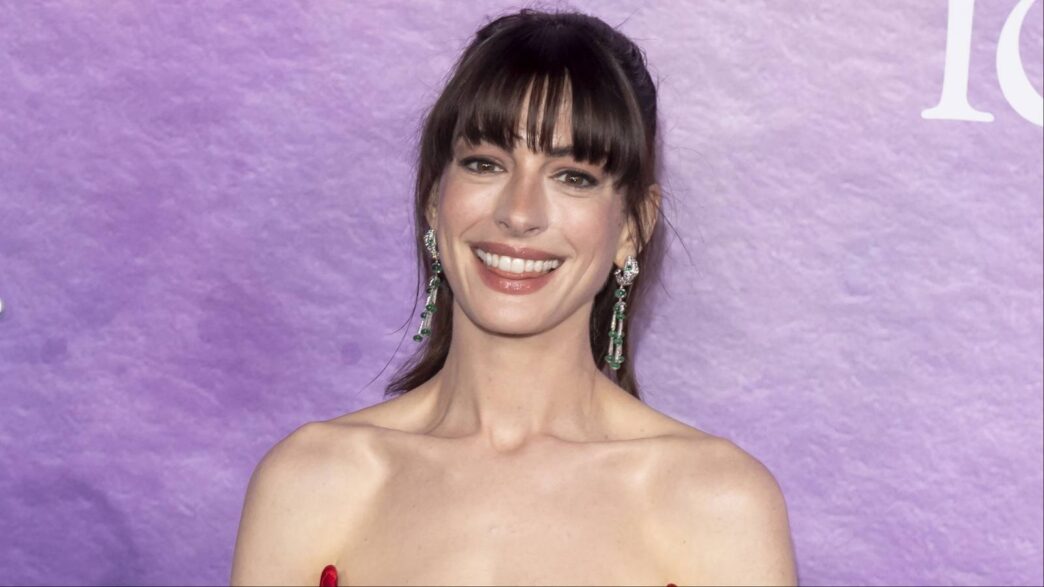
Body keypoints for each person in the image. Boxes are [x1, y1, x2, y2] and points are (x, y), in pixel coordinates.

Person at [231, 8, 797, 586]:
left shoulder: (719, 505)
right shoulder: (310, 481)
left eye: (573, 176)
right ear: (434, 200)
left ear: (633, 226)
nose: (519, 213)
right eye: (485, 164)